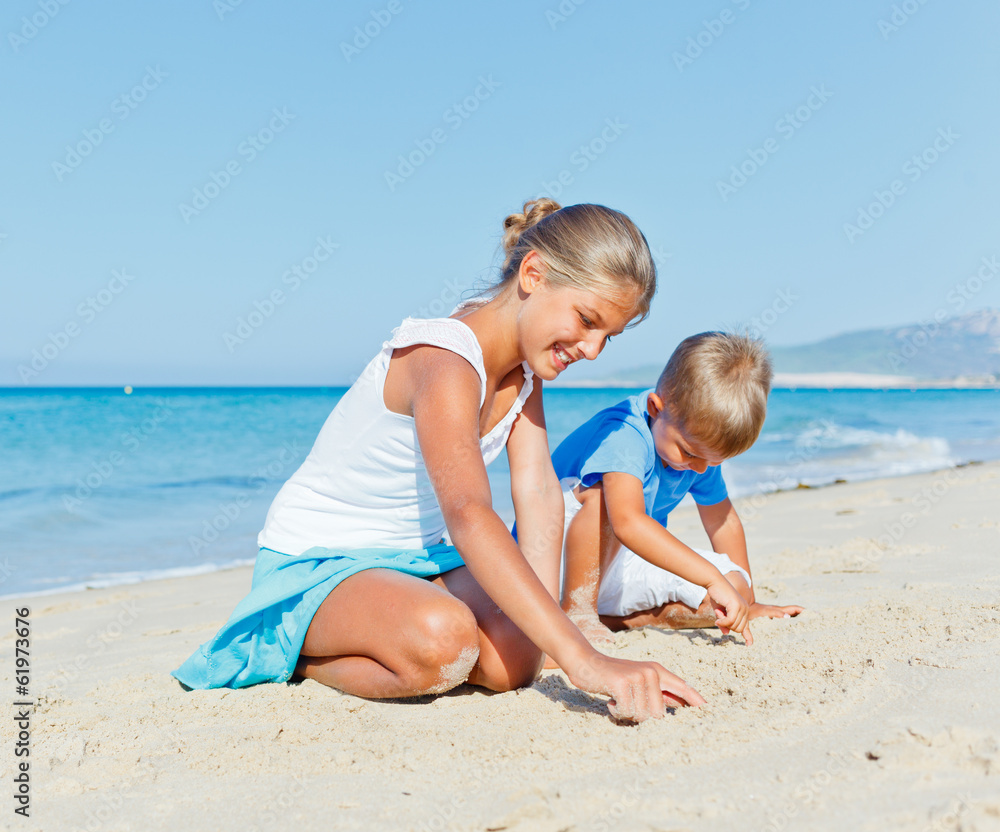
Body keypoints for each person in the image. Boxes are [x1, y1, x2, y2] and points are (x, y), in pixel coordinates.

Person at [172, 198, 705, 722]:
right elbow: (470, 513)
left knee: (517, 659)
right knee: (442, 641)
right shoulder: (445, 358)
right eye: (587, 320)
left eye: (607, 337)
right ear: (534, 274)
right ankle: (300, 655)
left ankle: (401, 626)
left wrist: (560, 634)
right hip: (320, 559)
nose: (591, 349)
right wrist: (584, 661)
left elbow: (539, 494)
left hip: (417, 560)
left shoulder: (526, 374)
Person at [548, 331, 803, 652]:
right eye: (690, 453)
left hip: (624, 565)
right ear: (656, 408)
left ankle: (630, 620)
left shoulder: (697, 455)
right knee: (604, 498)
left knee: (731, 594)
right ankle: (579, 615)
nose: (699, 468)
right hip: (555, 562)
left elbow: (722, 521)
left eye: (712, 461)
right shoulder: (624, 433)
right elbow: (627, 522)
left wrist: (746, 600)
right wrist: (710, 576)